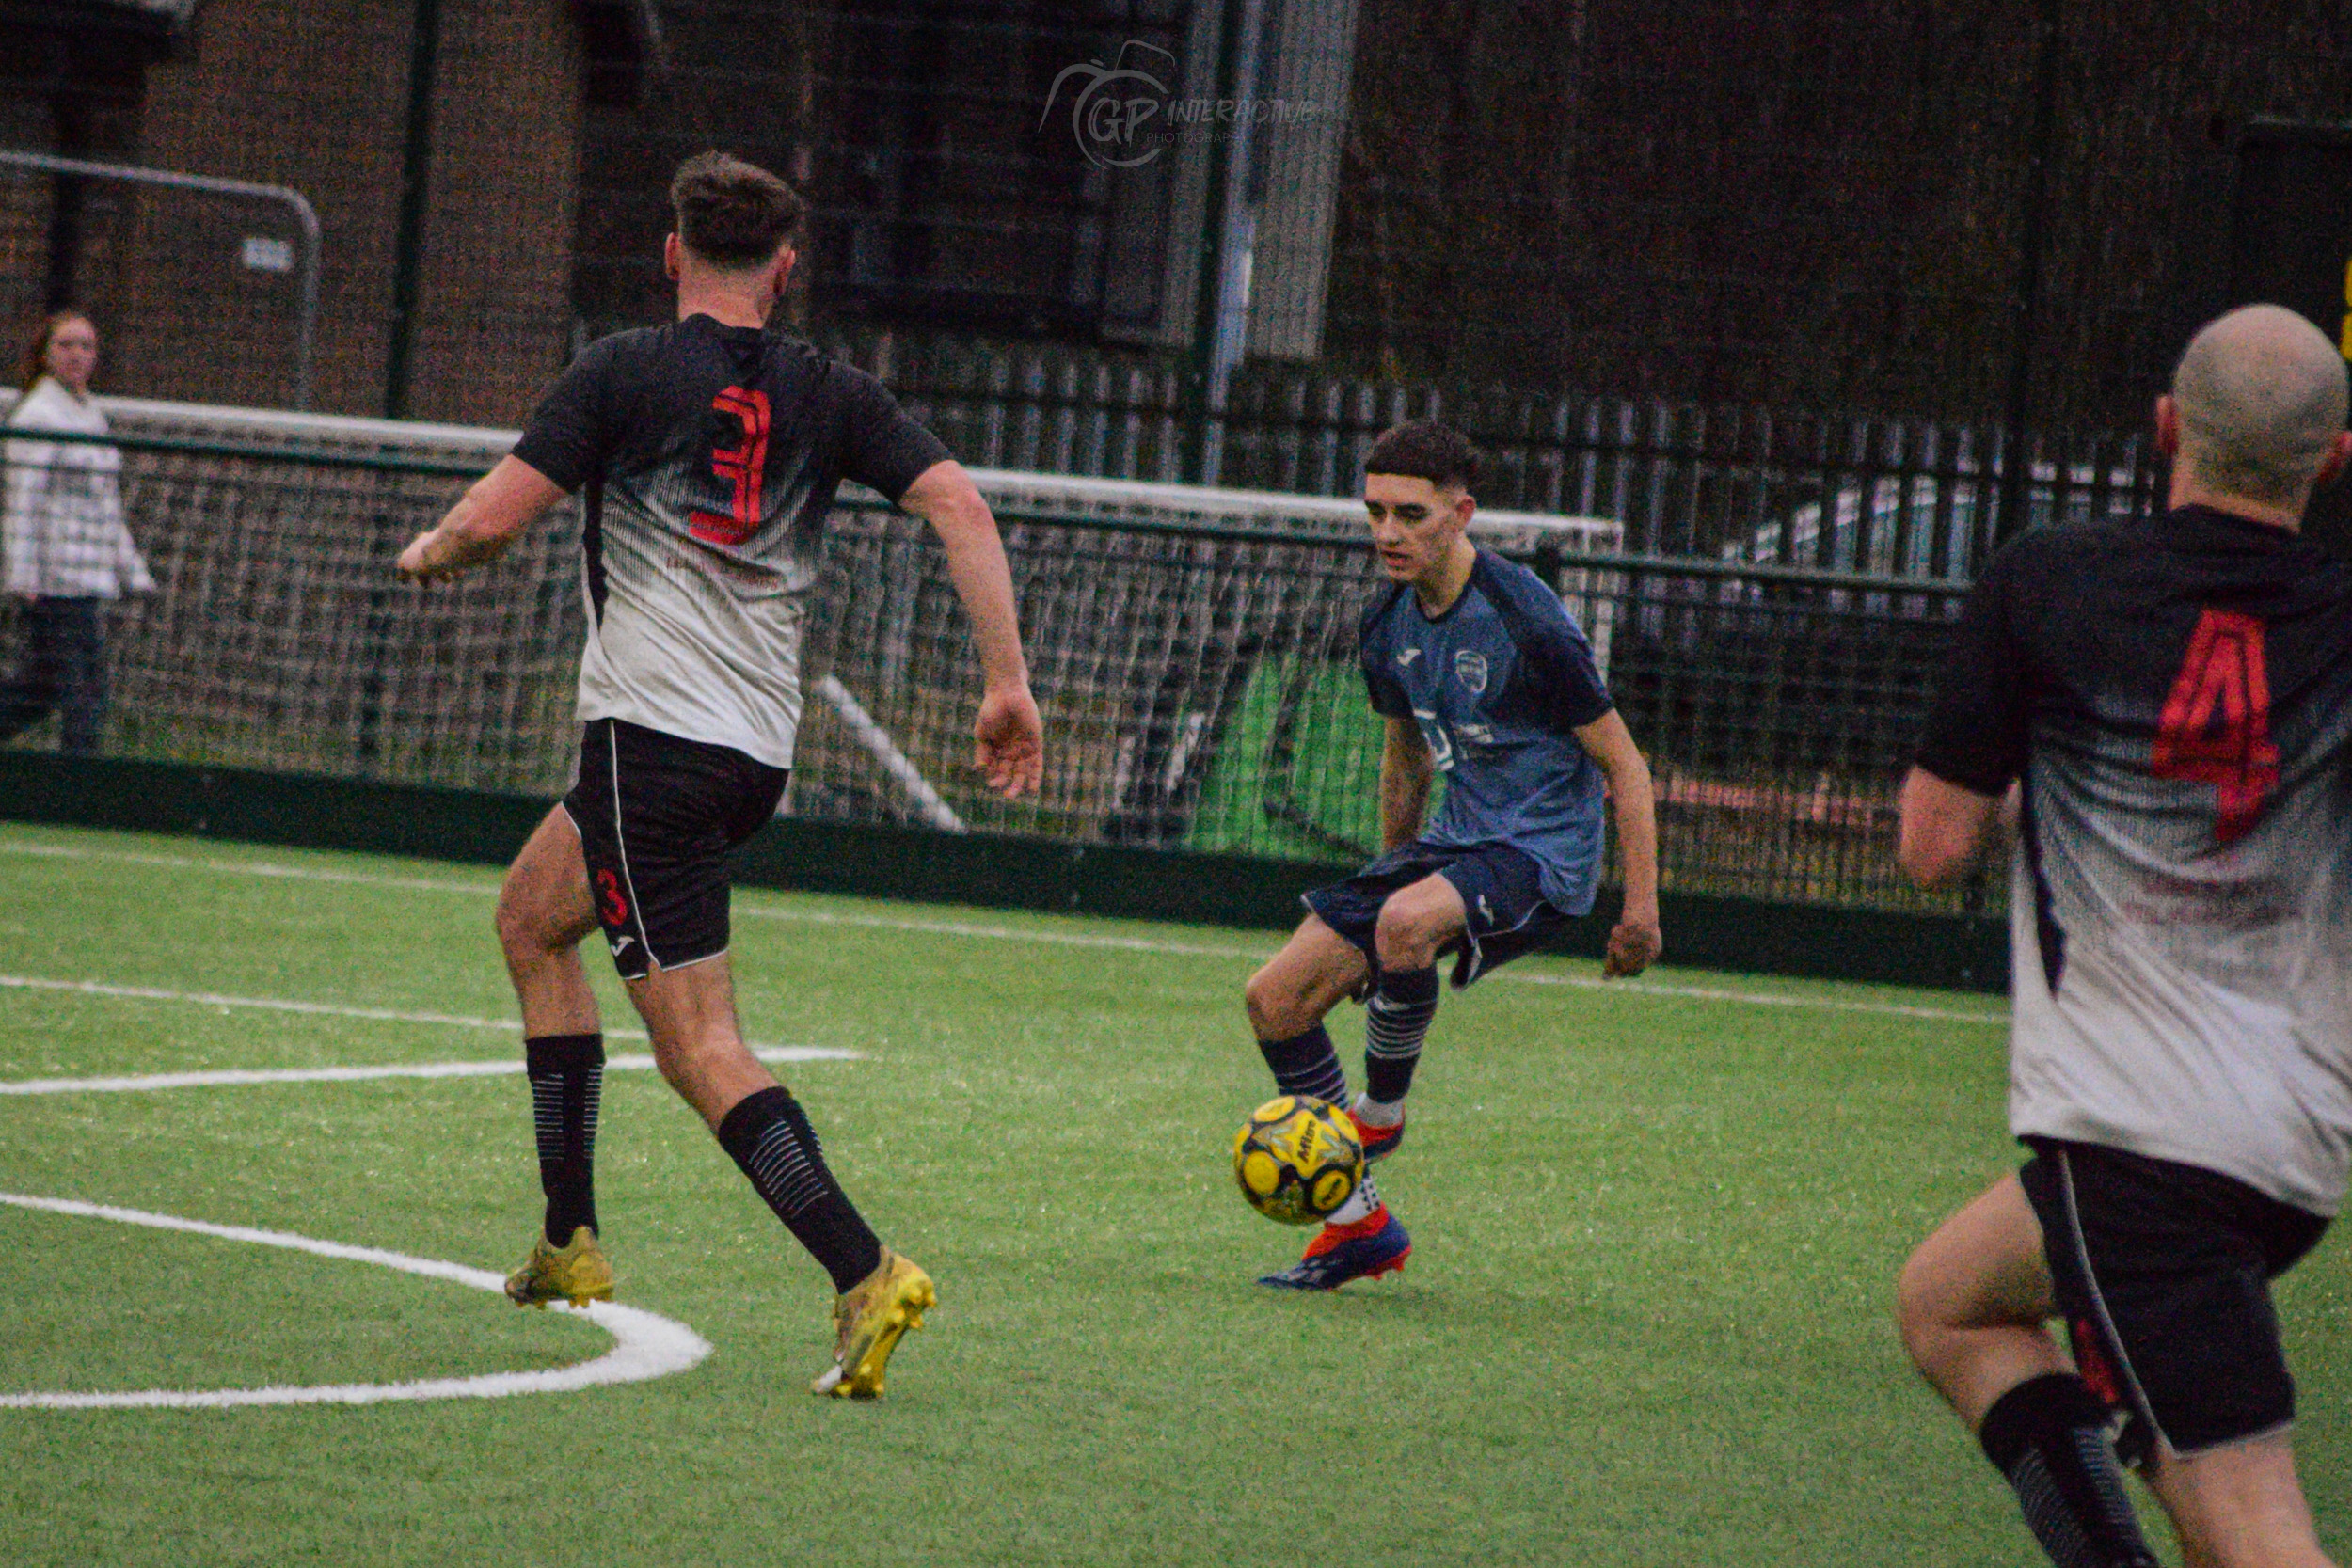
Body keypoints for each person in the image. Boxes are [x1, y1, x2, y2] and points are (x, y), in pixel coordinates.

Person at [394, 151, 1043, 1400]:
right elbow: (962, 507)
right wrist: (1005, 681)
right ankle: (568, 1235)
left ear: (670, 252)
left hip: (649, 749)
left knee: (699, 1046)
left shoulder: (621, 370)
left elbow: (488, 521)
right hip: (748, 754)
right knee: (531, 918)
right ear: (784, 270)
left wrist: (429, 553)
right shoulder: (833, 391)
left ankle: (864, 1267)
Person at [1894, 304, 2352, 1568]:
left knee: (2253, 1527)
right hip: (2294, 1143)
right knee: (1949, 1299)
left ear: (2163, 428)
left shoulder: (2050, 578)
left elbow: (1932, 848)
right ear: (2333, 459)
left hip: (2142, 1141)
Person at [1240, 420, 1663, 1289]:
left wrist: (1641, 909)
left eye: (1411, 514)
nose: (1387, 533)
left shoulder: (1527, 620)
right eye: (1374, 512)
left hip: (1539, 853)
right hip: (1451, 845)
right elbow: (1404, 759)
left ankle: (1381, 1112)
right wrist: (1382, 894)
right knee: (1275, 997)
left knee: (1405, 921)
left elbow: (1625, 765)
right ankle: (1358, 1227)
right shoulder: (1386, 619)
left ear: (1461, 514)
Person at [1, 311, 151, 755]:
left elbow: (106, 503)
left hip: (86, 575)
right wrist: (23, 575)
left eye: (86, 345)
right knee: (84, 688)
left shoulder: (90, 414)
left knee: (41, 687)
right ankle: (79, 780)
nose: (77, 354)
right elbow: (23, 499)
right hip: (54, 580)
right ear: (46, 353)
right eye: (66, 344)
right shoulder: (39, 414)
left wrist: (132, 568)